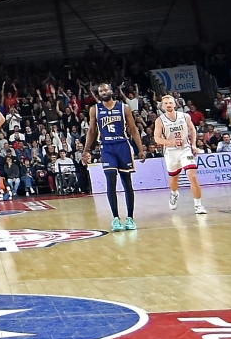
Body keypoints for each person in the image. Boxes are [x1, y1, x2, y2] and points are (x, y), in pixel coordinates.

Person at [85, 82, 146, 232]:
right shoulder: (95, 109)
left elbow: (133, 129)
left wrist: (140, 149)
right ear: (98, 94)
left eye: (106, 89)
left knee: (127, 183)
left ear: (111, 91)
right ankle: (116, 219)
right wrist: (86, 150)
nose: (104, 92)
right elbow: (92, 131)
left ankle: (130, 218)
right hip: (107, 148)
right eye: (100, 91)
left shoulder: (123, 107)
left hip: (123, 146)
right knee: (110, 180)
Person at [154, 94, 206, 215]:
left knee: (192, 176)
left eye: (170, 103)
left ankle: (198, 205)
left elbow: (192, 129)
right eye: (166, 103)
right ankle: (174, 193)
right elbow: (157, 139)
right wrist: (171, 142)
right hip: (171, 151)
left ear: (175, 104)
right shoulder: (160, 120)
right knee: (174, 177)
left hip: (185, 149)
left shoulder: (185, 116)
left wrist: (193, 145)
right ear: (162, 106)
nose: (168, 105)